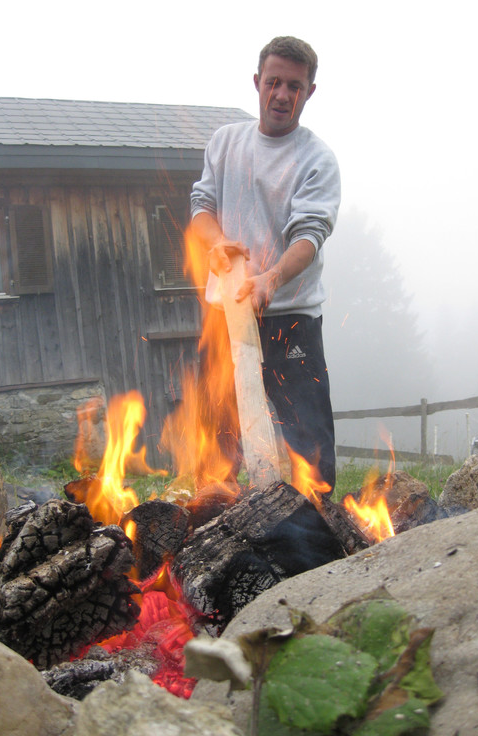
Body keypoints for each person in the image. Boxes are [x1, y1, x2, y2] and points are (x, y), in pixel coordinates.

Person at [190, 35, 341, 493]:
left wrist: (270, 278)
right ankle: (214, 527)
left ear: (309, 91)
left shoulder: (317, 159)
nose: (281, 94)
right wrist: (216, 244)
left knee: (308, 444)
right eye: (273, 82)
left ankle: (319, 532)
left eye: (294, 86)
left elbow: (310, 235)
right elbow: (201, 207)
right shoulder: (225, 142)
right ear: (257, 82)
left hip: (291, 318)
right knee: (216, 444)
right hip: (225, 317)